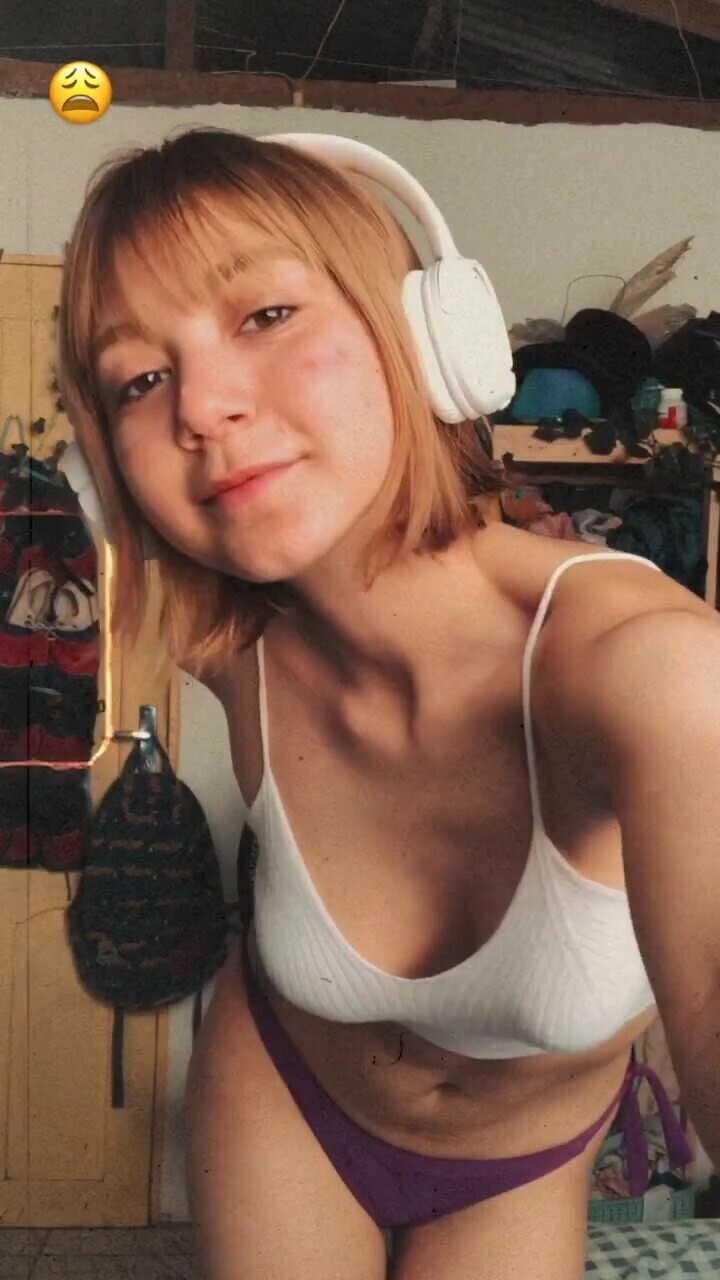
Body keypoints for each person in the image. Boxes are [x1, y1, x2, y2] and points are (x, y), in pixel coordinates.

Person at [57, 127, 720, 1280]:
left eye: (266, 314)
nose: (202, 406)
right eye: (141, 379)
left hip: (518, 1164)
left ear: (426, 335)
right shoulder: (229, 651)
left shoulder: (650, 669)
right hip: (283, 1103)